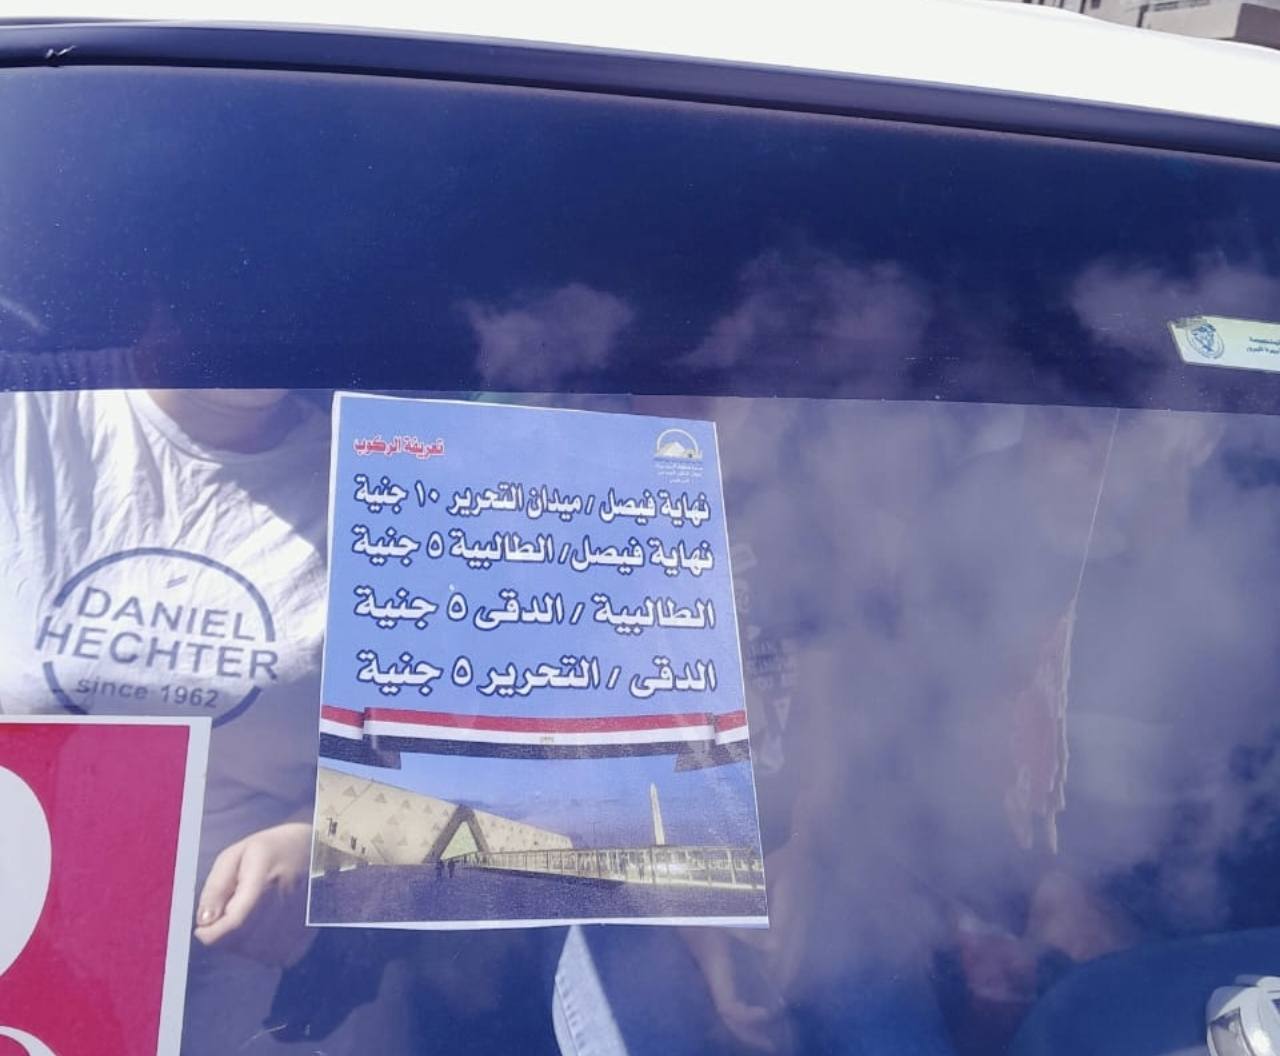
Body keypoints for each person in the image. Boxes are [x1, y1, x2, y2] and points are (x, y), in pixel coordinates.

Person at [0, 386, 413, 1053]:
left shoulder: (392, 486)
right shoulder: (21, 427)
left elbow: (455, 752)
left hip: (236, 1006)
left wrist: (330, 841)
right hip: (21, 963)